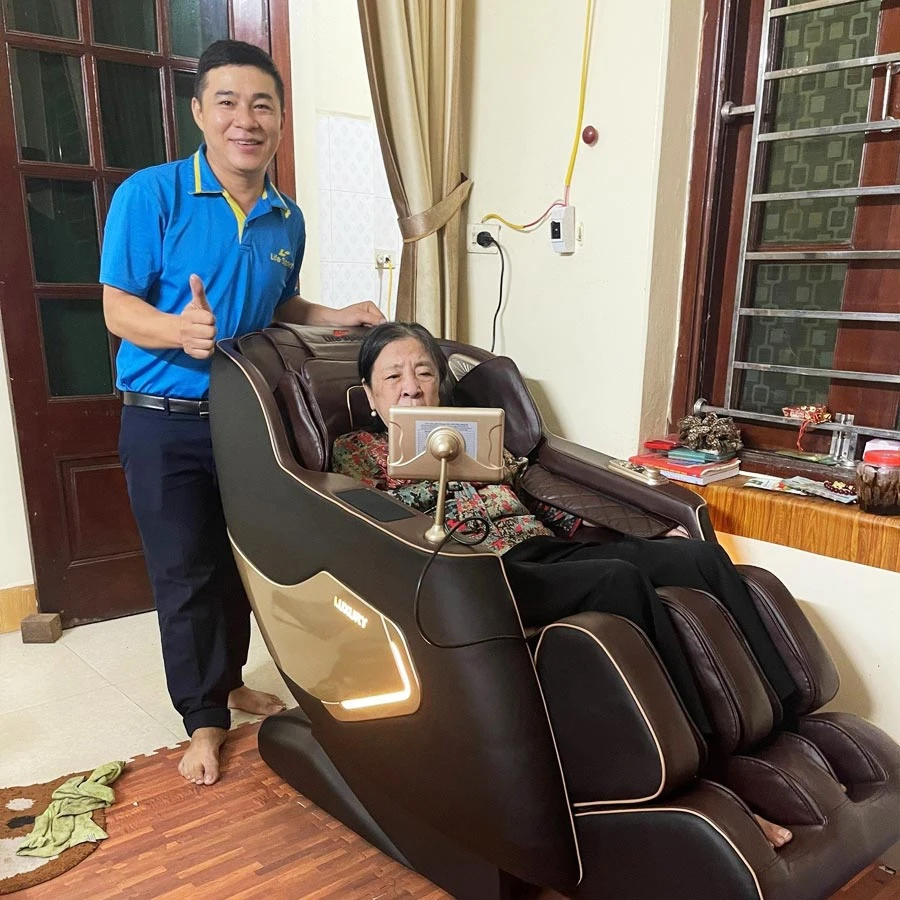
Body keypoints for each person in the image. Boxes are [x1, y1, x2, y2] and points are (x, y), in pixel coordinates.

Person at [332, 322, 802, 849]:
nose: (411, 387)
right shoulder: (360, 450)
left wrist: (639, 534)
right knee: (617, 579)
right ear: (370, 395)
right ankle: (704, 760)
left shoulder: (475, 432)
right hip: (478, 573)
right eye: (392, 377)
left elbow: (538, 495)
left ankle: (780, 723)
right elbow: (373, 524)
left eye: (423, 372)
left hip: (540, 548)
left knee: (701, 558)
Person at [100, 40, 385, 788]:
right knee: (184, 571)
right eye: (227, 102)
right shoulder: (151, 194)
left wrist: (334, 315)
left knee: (241, 563)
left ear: (281, 121)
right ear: (199, 112)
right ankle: (203, 718)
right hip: (162, 420)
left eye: (262, 105)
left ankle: (226, 682)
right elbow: (117, 307)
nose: (245, 120)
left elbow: (277, 303)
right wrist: (178, 329)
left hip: (244, 419)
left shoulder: (287, 218)